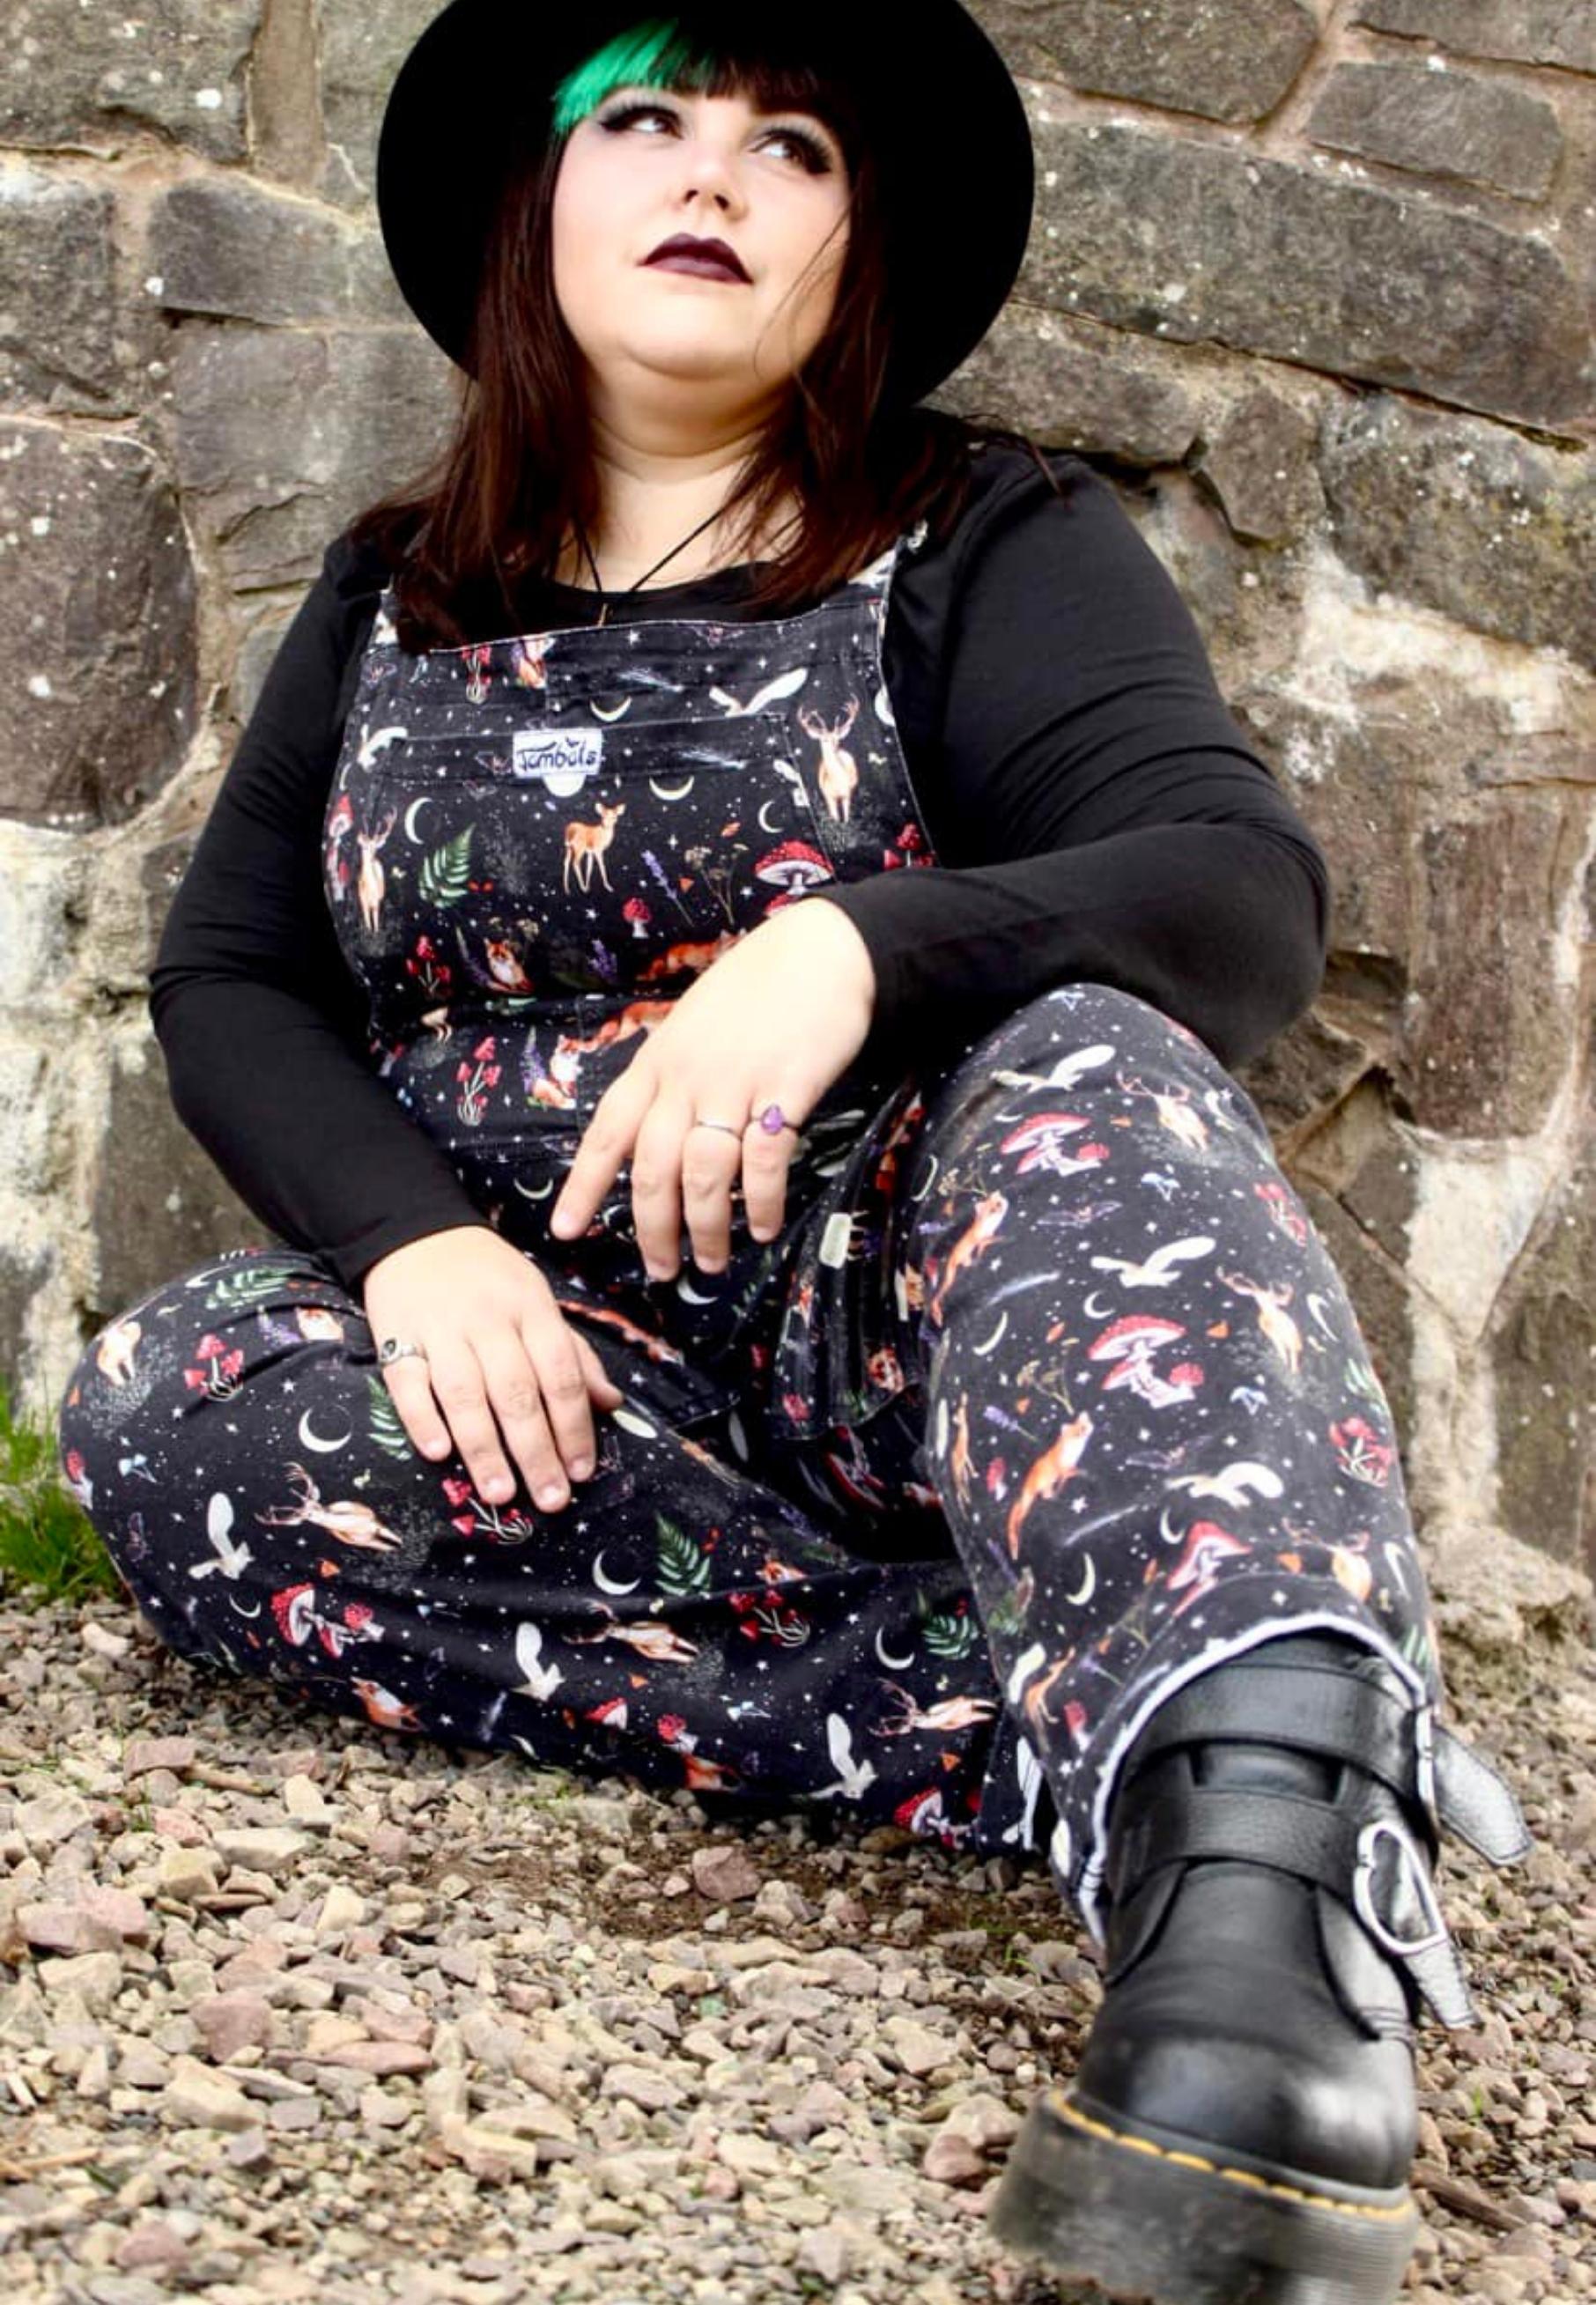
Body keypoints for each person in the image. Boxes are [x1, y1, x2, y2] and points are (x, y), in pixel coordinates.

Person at [55, 5, 1531, 2299]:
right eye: (639, 120)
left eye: (789, 146)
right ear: (538, 208)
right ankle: (1115, 1727)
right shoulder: (386, 594)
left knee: (1087, 1063)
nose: (709, 176)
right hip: (575, 1404)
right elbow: (233, 981)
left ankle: (1268, 1939)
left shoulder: (981, 535)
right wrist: (416, 1244)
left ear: (854, 248)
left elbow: (1231, 890)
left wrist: (847, 947)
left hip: (917, 1348)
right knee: (174, 1412)